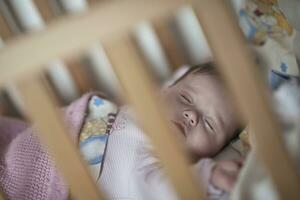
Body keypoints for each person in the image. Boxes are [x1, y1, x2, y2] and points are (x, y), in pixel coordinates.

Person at [0, 63, 243, 200]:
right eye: (186, 98)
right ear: (164, 91)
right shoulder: (139, 108)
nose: (192, 116)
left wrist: (208, 177)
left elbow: (163, 189)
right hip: (26, 151)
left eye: (210, 125)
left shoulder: (157, 160)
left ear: (213, 152)